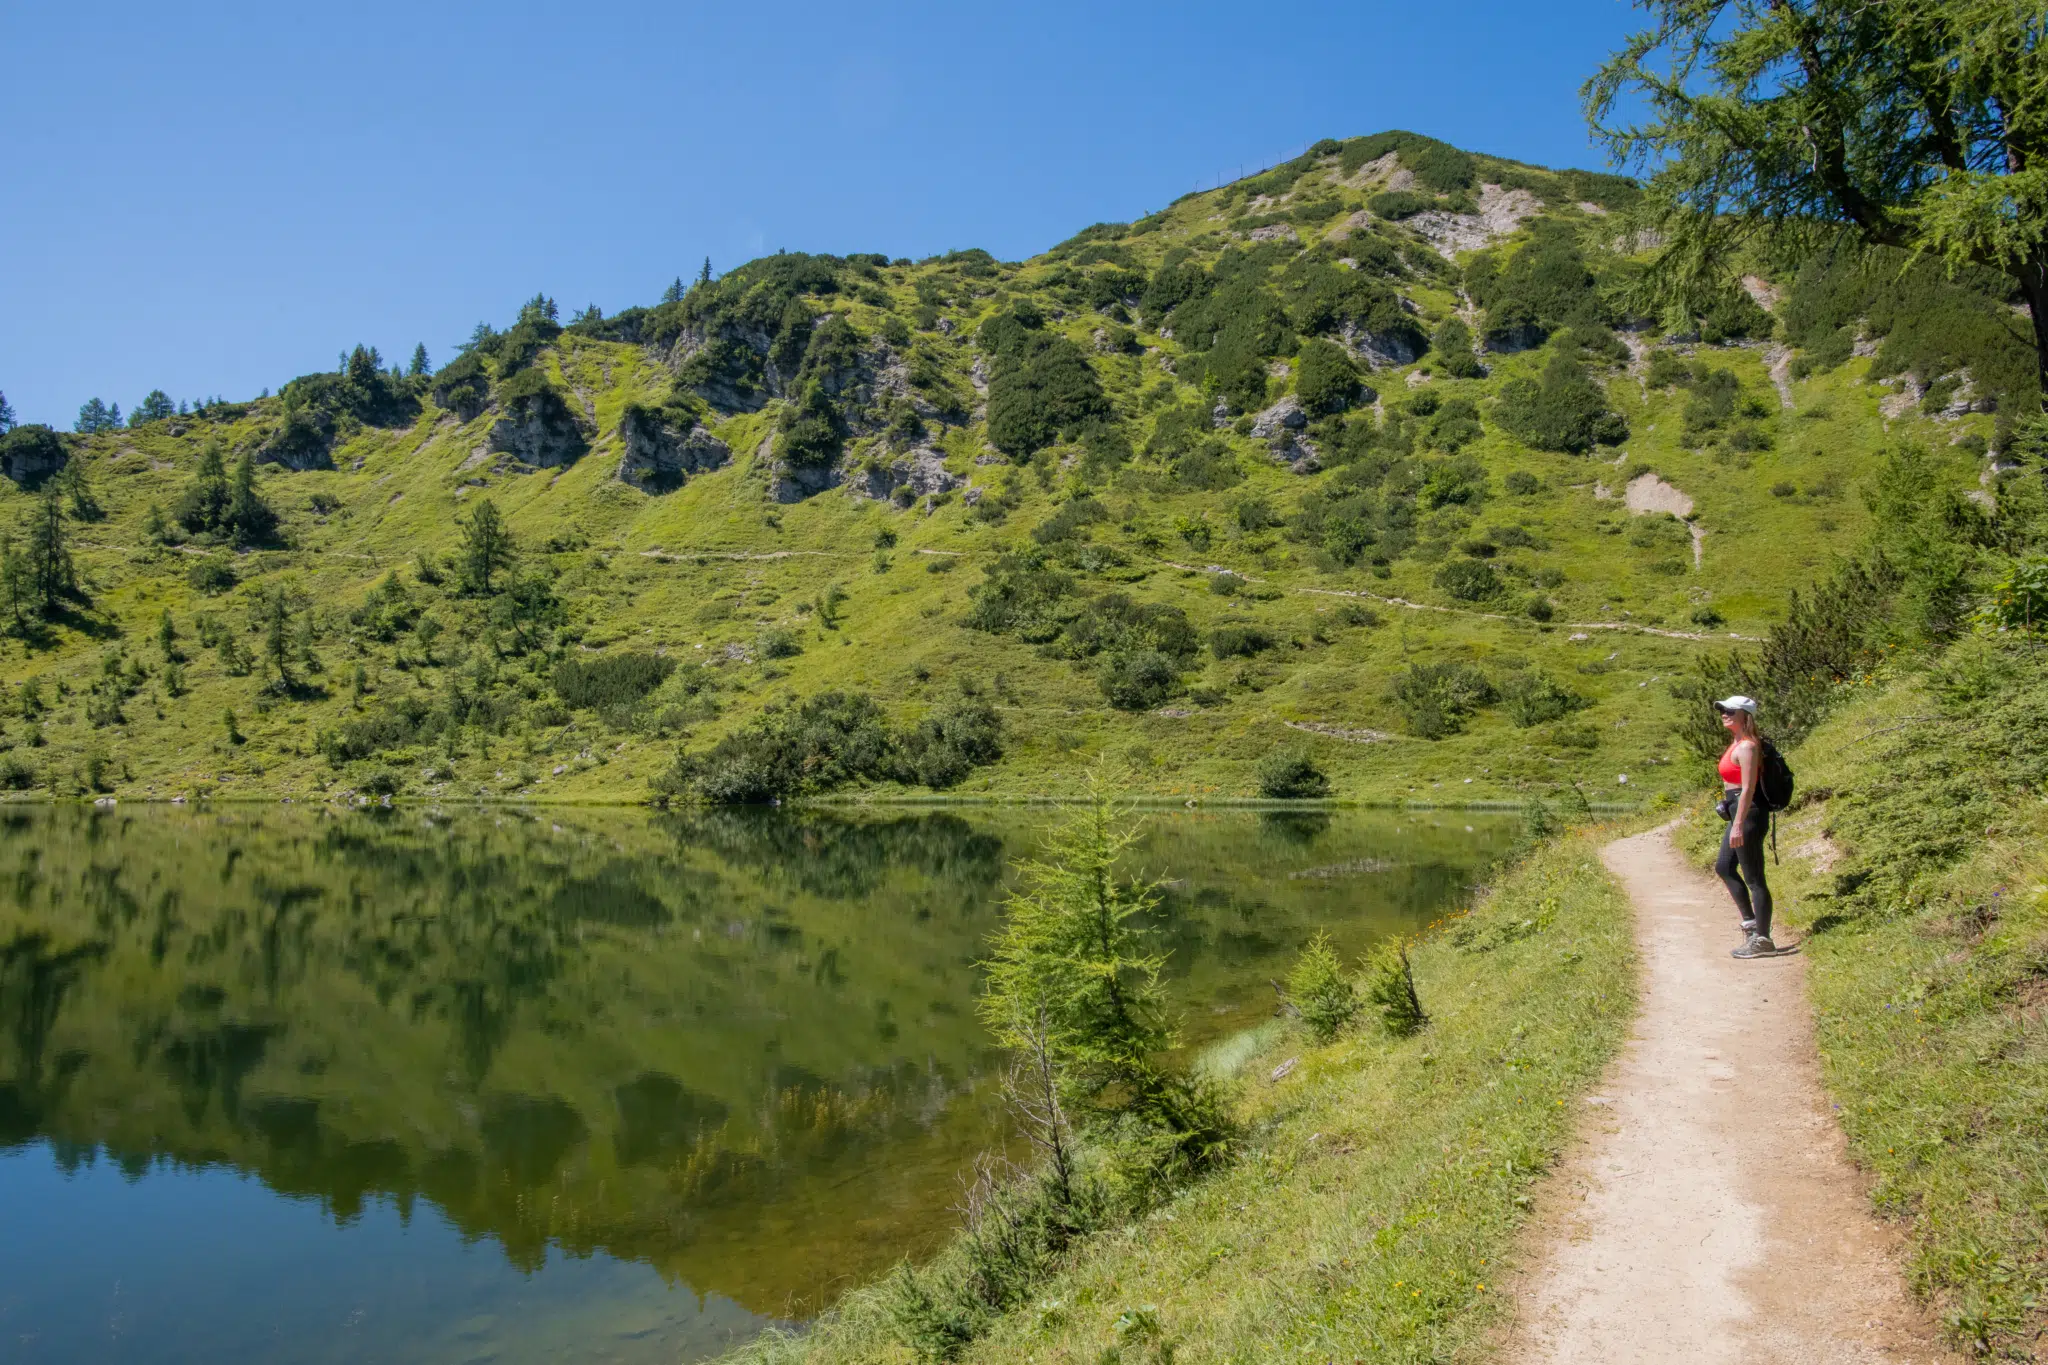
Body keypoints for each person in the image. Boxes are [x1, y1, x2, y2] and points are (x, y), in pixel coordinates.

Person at [1713, 695, 1778, 958]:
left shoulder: (1748, 746)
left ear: (1745, 716)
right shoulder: (1736, 743)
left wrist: (1738, 823)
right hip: (1738, 809)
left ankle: (1763, 940)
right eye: (1722, 710)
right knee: (1724, 867)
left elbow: (1749, 787)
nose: (1724, 713)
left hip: (1748, 813)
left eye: (1730, 710)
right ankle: (1752, 926)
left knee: (1754, 877)